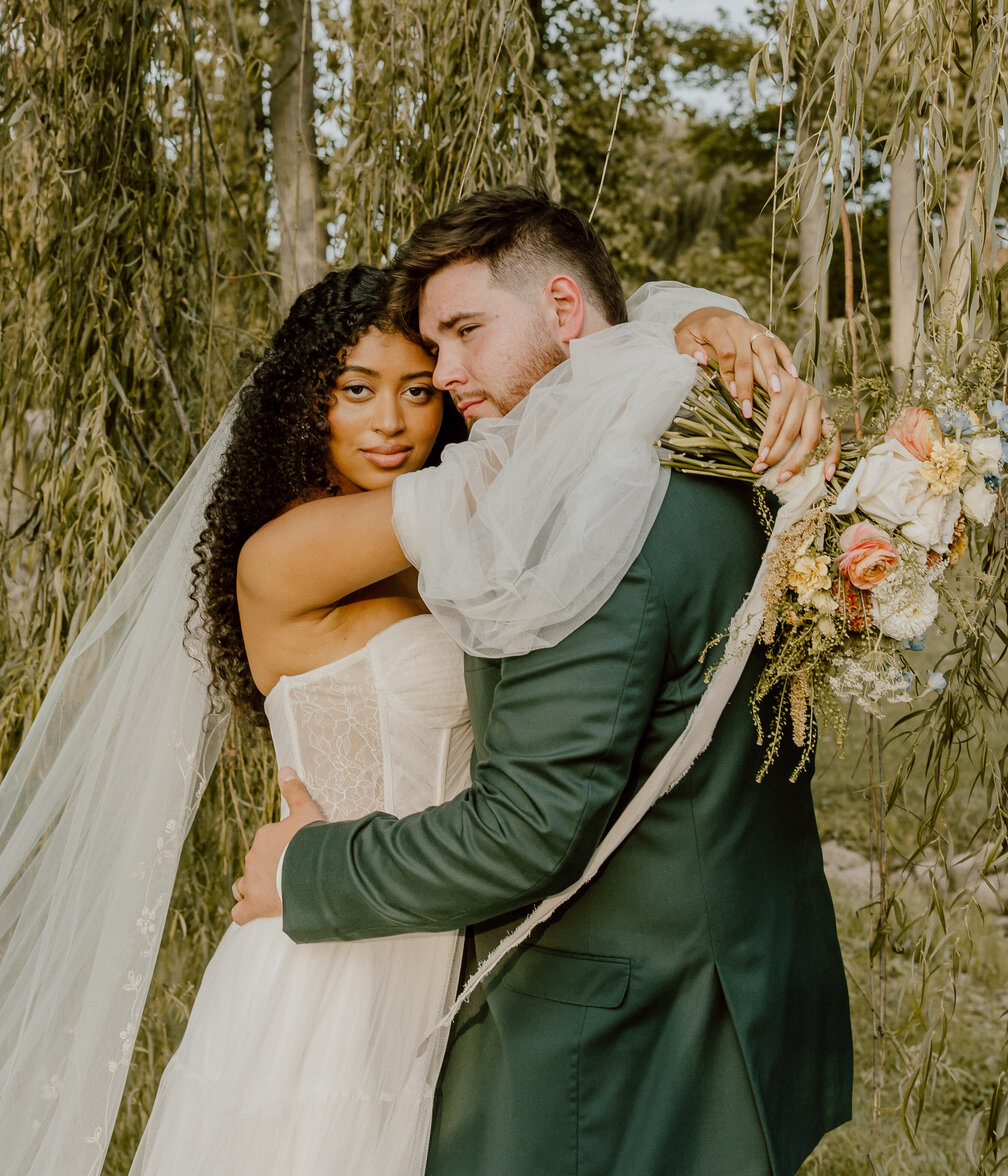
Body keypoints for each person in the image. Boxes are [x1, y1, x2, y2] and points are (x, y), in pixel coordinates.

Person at [235, 189, 853, 1176]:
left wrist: (303, 872)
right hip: (702, 966)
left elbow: (531, 821)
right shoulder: (696, 440)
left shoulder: (579, 519)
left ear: (565, 312)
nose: (439, 381)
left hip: (609, 1012)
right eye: (363, 385)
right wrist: (684, 327)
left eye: (458, 341)